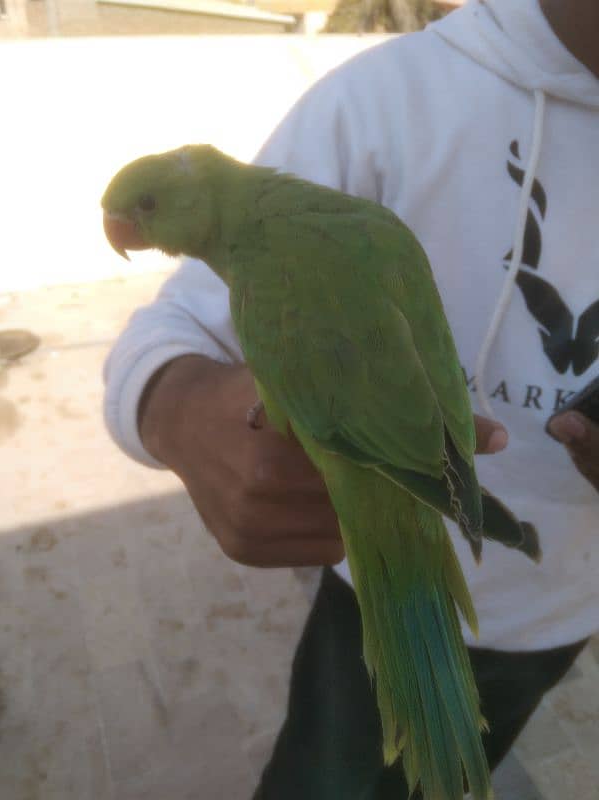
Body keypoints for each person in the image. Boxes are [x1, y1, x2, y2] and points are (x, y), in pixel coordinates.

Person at [103, 0, 599, 796]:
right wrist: (185, 410)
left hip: (566, 606)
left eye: (147, 210)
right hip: (376, 558)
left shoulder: (277, 266)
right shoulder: (376, 102)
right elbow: (169, 329)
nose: (127, 230)